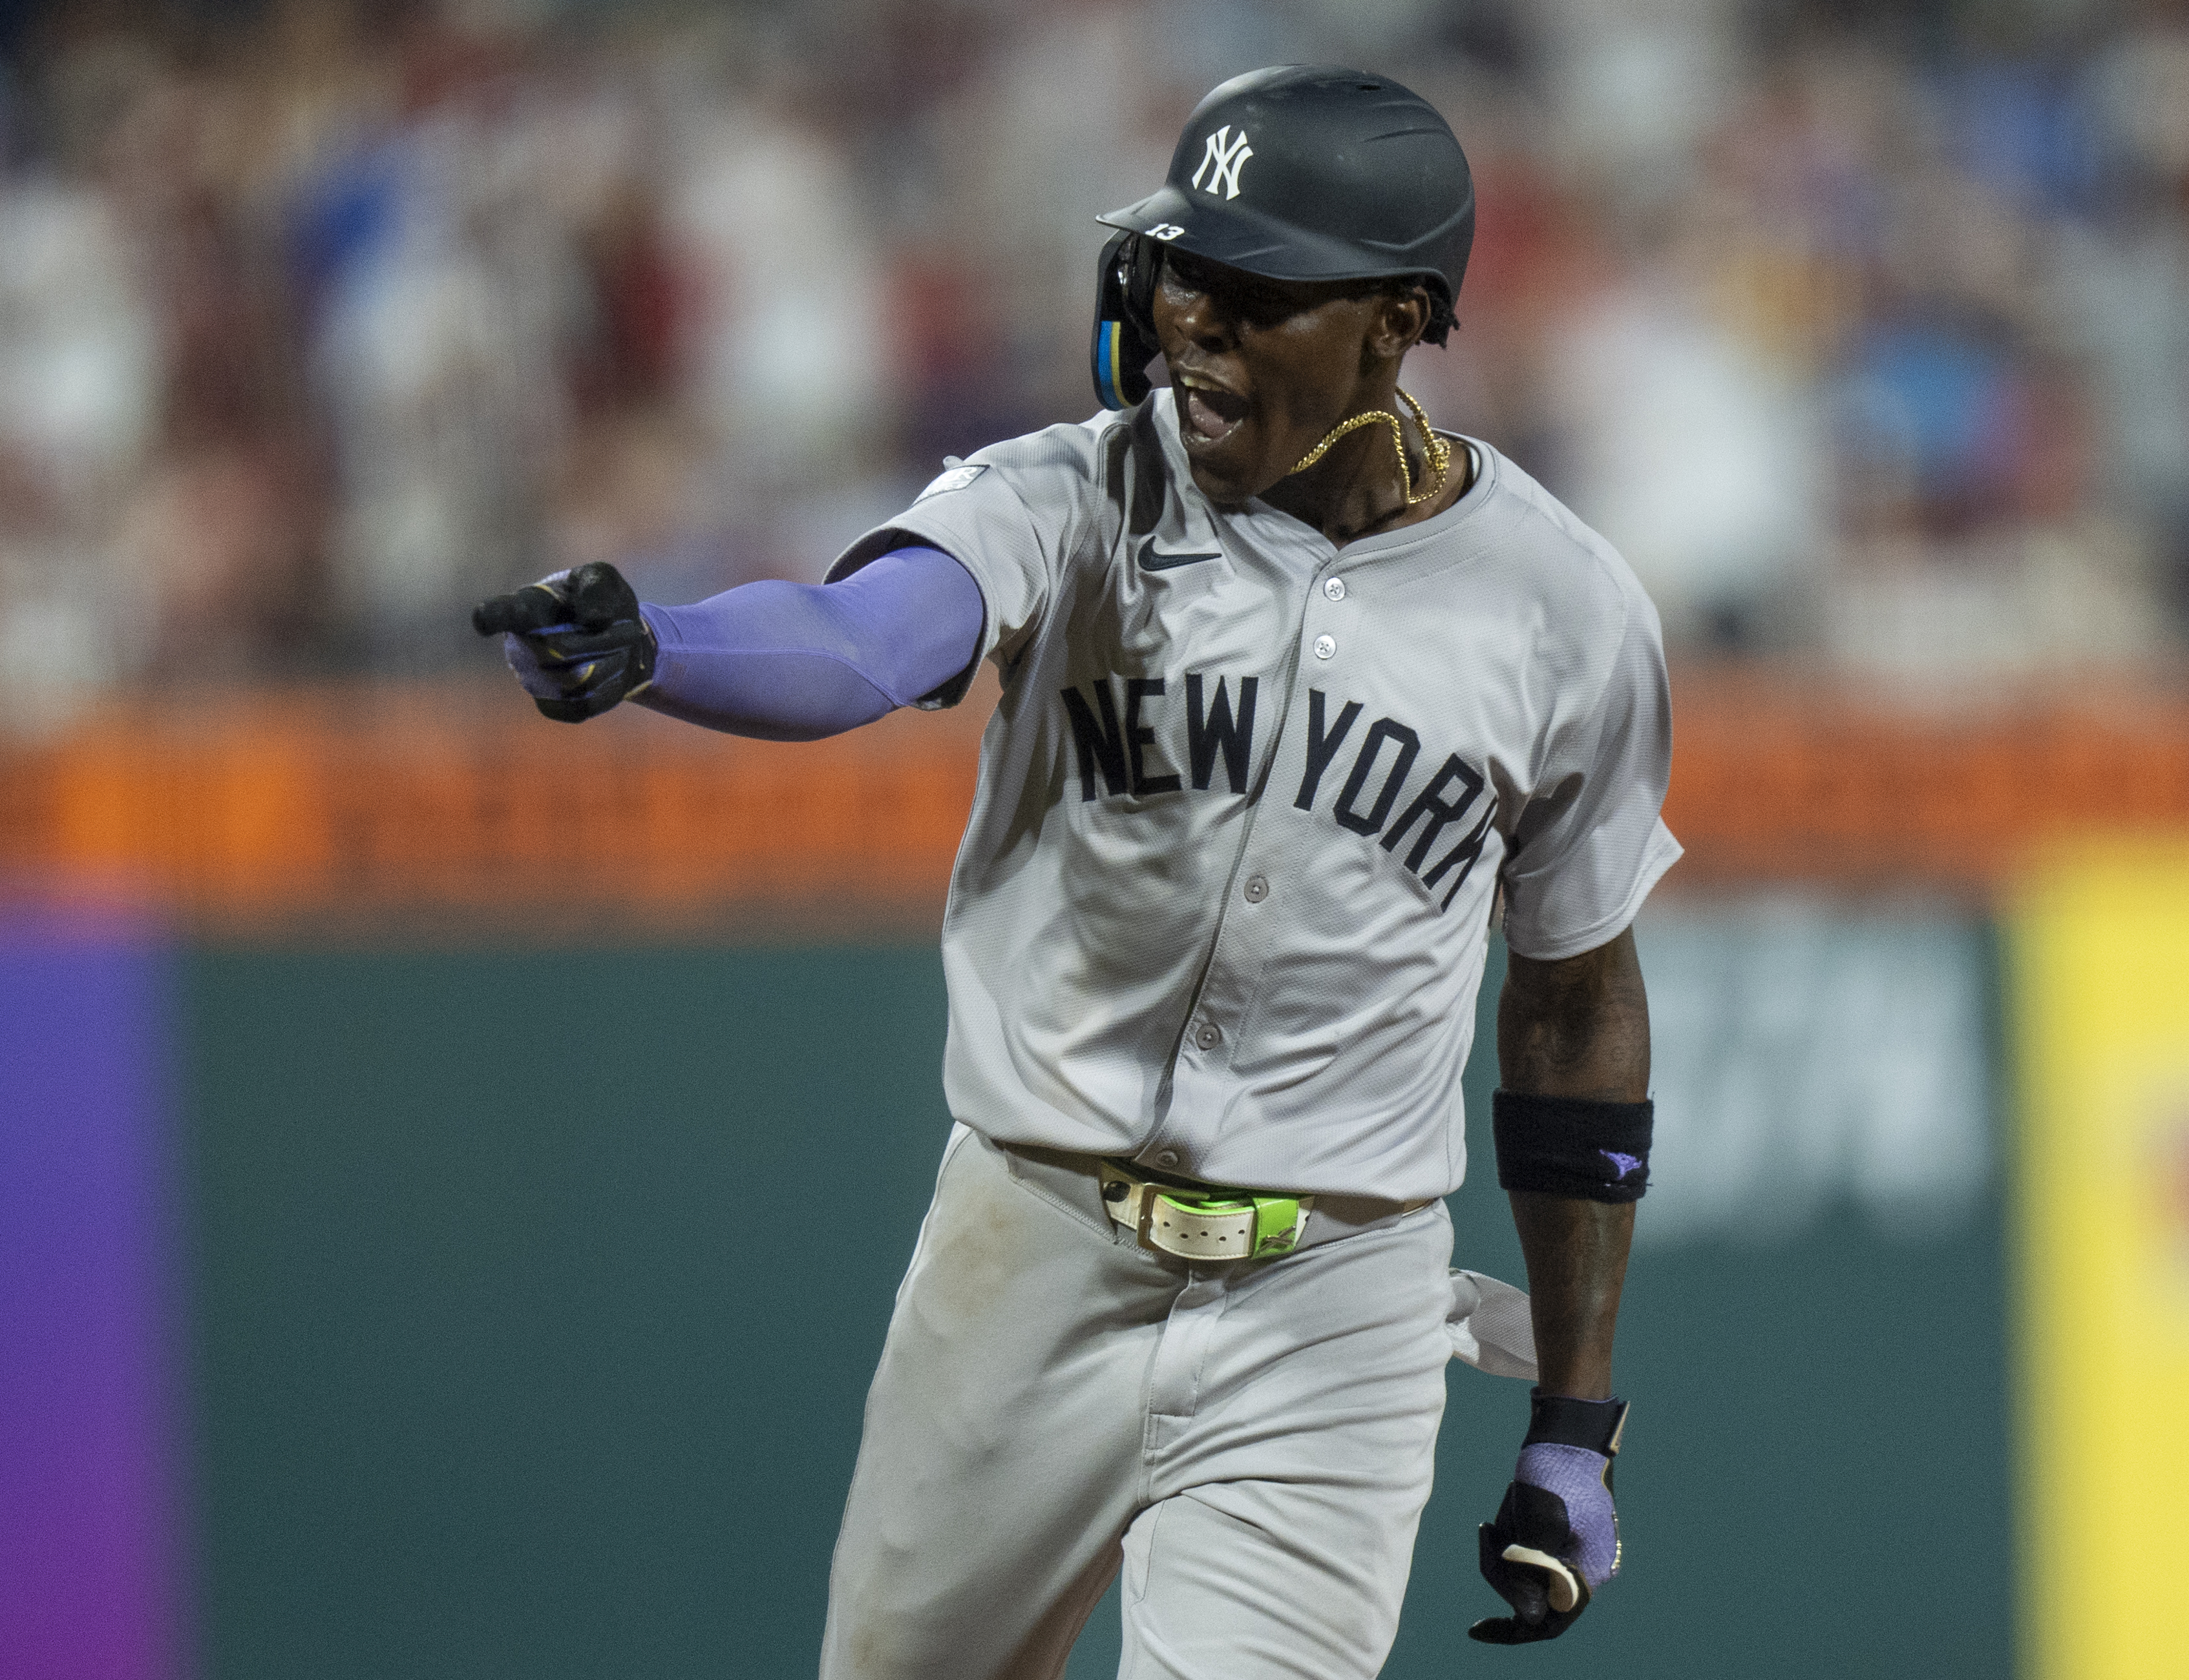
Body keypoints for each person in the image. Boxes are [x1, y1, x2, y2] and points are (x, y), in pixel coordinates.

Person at [476, 65, 1676, 1680]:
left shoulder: (1568, 612)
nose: (1196, 325)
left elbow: (1576, 1008)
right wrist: (660, 647)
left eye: (1257, 294)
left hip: (1334, 1301)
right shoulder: (1071, 495)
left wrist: (1574, 1421)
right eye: (1183, 270)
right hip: (1032, 1241)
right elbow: (859, 644)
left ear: (1396, 324)